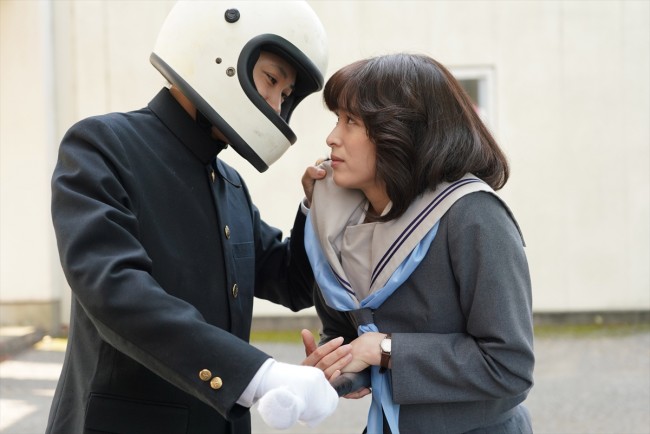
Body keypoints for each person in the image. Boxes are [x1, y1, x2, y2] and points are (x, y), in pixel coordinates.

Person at [46, 2, 347, 433]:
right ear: (218, 51)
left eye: (285, 96)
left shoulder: (230, 183)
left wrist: (318, 207)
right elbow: (113, 288)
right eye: (271, 80)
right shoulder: (103, 146)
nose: (276, 106)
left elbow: (290, 280)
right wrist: (259, 375)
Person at [301, 53, 535, 433]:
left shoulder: (473, 215)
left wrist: (384, 349)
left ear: (402, 132)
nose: (332, 138)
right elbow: (355, 338)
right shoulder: (345, 221)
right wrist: (339, 368)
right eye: (336, 119)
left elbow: (508, 365)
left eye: (351, 121)